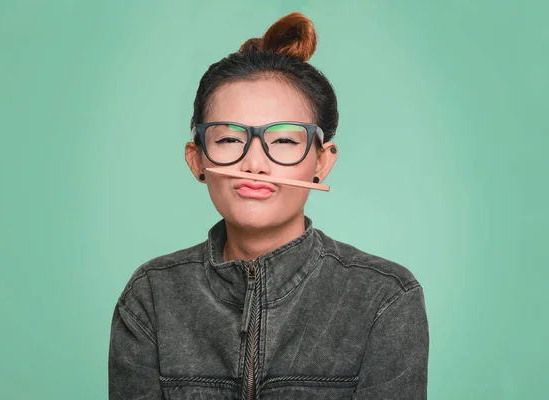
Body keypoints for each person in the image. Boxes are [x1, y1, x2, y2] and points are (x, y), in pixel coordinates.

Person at [109, 12, 429, 400]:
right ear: (197, 160)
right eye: (228, 139)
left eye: (284, 141)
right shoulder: (152, 296)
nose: (255, 164)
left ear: (322, 161)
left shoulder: (386, 298)